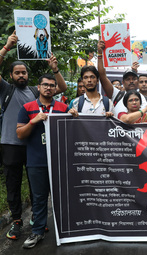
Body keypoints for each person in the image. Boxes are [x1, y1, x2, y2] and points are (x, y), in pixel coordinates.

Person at [0, 31, 67, 240]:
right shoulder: (5, 89)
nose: (21, 75)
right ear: (11, 75)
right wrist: (6, 48)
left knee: (35, 185)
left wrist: (55, 69)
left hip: (33, 146)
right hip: (11, 143)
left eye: (24, 73)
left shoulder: (34, 92)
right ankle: (17, 221)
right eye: (17, 72)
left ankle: (35, 220)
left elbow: (62, 87)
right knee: (13, 184)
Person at [16, 73, 72, 248]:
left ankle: (68, 232)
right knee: (39, 199)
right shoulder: (27, 107)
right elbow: (19, 134)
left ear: (56, 88)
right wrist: (34, 121)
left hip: (60, 161)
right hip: (37, 162)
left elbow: (73, 133)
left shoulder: (63, 107)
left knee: (64, 197)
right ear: (38, 87)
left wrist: (74, 117)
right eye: (45, 84)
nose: (48, 87)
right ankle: (38, 232)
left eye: (52, 85)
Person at [97, 40, 147, 117]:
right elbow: (102, 76)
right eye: (128, 79)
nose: (131, 81)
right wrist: (100, 54)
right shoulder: (117, 94)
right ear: (123, 83)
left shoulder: (143, 98)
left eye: (134, 79)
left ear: (138, 81)